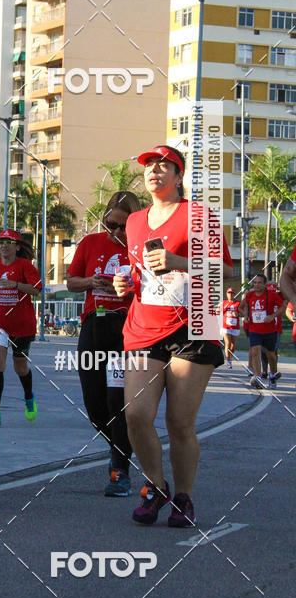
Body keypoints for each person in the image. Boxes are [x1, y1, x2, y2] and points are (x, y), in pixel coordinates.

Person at [113, 145, 232, 527]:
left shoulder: (198, 214)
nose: (154, 171)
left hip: (195, 327)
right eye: (149, 166)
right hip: (143, 326)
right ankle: (155, 486)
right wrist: (124, 282)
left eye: (164, 166)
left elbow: (226, 271)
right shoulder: (134, 221)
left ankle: (183, 498)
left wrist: (181, 262)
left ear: (179, 176)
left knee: (179, 423)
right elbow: (140, 274)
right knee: (136, 415)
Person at [66, 191, 141, 497]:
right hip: (94, 326)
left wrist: (128, 286)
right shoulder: (90, 243)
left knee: (116, 403)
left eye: (124, 226)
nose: (118, 232)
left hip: (126, 329)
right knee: (95, 406)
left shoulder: (140, 248)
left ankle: (119, 470)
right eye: (112, 224)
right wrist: (92, 282)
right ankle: (124, 450)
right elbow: (72, 281)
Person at [0, 230, 42, 426]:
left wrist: (14, 284)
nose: (4, 245)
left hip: (22, 324)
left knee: (20, 367)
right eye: (1, 242)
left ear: (17, 246)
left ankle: (28, 397)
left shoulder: (24, 265)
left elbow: (37, 290)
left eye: (8, 241)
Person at [239, 274, 285, 388]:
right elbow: (240, 307)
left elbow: (282, 307)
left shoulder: (272, 295)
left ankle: (273, 375)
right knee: (255, 351)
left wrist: (272, 316)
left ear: (265, 285)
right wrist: (245, 315)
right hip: (254, 328)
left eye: (259, 283)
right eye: (254, 282)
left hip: (269, 330)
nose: (256, 285)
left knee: (271, 355)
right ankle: (258, 377)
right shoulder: (249, 295)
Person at [220, 287, 241, 369]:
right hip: (226, 326)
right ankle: (228, 361)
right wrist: (221, 309)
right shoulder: (224, 303)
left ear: (234, 294)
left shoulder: (238, 303)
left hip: (235, 327)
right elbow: (217, 311)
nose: (230, 295)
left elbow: (242, 313)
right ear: (226, 294)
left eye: (232, 293)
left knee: (233, 345)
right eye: (229, 293)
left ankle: (230, 357)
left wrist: (238, 314)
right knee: (227, 343)